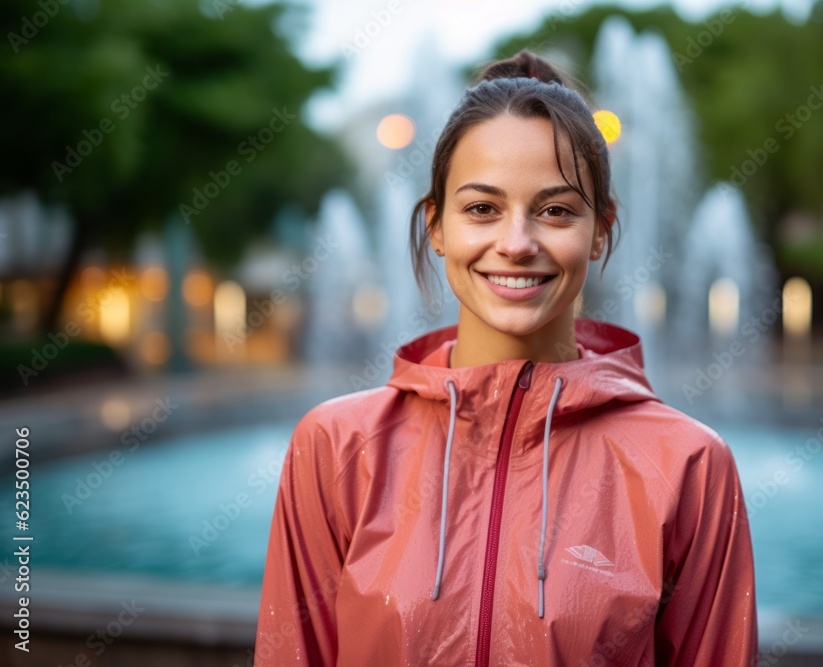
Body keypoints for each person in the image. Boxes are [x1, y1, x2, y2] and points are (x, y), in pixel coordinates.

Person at [255, 49, 758, 666]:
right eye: (482, 209)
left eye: (555, 210)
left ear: (601, 230)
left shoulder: (688, 466)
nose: (516, 243)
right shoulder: (336, 450)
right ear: (437, 226)